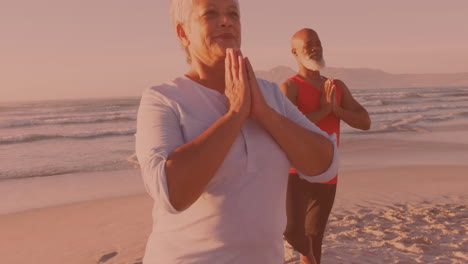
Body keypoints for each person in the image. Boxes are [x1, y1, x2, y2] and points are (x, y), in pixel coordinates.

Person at [135, 1, 340, 263]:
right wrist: (234, 116)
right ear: (183, 33)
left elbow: (326, 163)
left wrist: (263, 113)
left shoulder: (269, 95)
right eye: (210, 13)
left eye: (233, 14)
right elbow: (170, 194)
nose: (226, 21)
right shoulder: (164, 99)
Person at [281, 28, 371, 264]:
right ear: (294, 52)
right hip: (295, 173)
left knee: (314, 236)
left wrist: (337, 110)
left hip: (327, 173)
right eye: (309, 43)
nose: (315, 47)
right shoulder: (290, 88)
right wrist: (324, 110)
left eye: (318, 42)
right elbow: (286, 128)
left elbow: (365, 121)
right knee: (291, 231)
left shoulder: (336, 86)